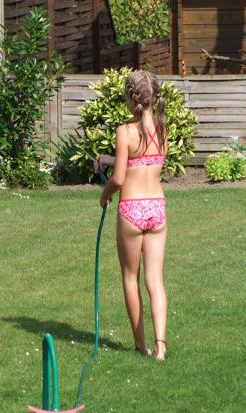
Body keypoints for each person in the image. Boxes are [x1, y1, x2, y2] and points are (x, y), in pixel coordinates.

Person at [96, 70, 168, 361]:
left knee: (130, 277)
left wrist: (105, 194)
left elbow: (119, 178)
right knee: (156, 280)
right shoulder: (163, 130)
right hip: (157, 208)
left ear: (131, 98)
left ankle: (141, 345)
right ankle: (161, 346)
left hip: (132, 209)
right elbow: (145, 162)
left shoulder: (125, 131)